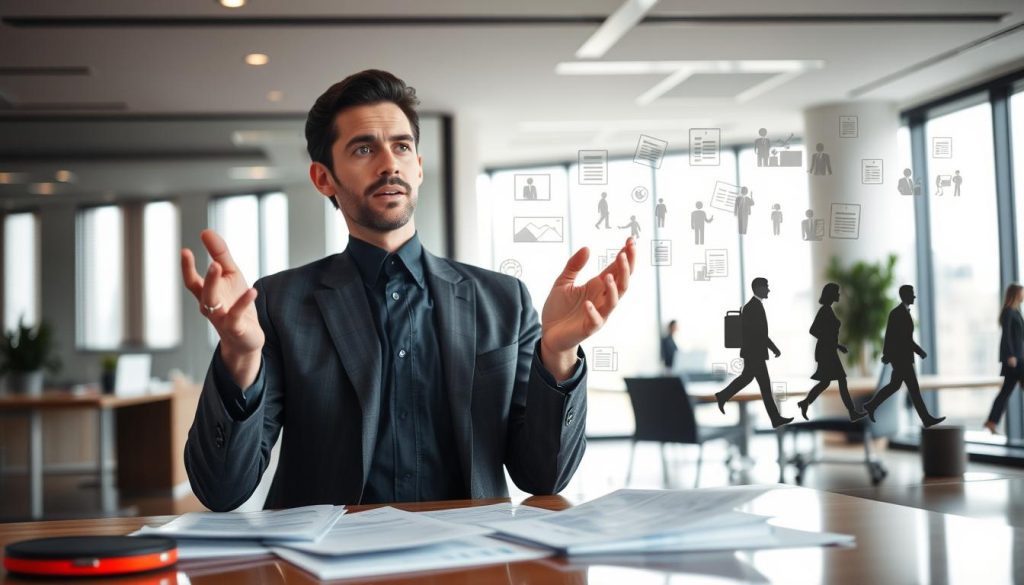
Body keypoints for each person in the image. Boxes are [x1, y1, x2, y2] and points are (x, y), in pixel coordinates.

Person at [180, 70, 637, 511]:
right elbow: (222, 491)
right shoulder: (281, 304)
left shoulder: (503, 301)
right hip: (327, 569)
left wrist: (557, 356)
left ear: (418, 168)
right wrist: (240, 355)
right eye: (363, 149)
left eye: (402, 146)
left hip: (470, 564)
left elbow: (543, 478)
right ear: (324, 179)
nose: (389, 163)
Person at [862, 285, 945, 428]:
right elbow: (900, 338)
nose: (914, 297)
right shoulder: (897, 313)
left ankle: (871, 405)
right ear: (905, 295)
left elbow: (898, 337)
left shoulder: (902, 313)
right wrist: (919, 351)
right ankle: (926, 419)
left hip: (902, 358)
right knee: (914, 389)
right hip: (901, 359)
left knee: (895, 386)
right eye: (912, 294)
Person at [715, 278, 793, 428]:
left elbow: (759, 334)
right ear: (758, 288)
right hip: (754, 354)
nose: (768, 290)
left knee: (748, 379)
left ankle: (723, 395)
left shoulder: (754, 306)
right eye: (766, 287)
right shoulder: (753, 307)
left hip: (753, 353)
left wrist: (772, 348)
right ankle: (775, 418)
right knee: (764, 386)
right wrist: (774, 348)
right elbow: (759, 334)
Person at [796, 283, 867, 421]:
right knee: (840, 381)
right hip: (825, 353)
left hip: (829, 351)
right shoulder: (824, 311)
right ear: (831, 294)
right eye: (837, 292)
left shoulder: (828, 310)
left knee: (827, 382)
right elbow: (813, 330)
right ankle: (852, 412)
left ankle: (805, 403)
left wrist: (838, 346)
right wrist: (830, 343)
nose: (839, 294)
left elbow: (828, 336)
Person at [985, 284, 1024, 434]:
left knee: (1005, 392)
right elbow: (1006, 336)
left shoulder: (1017, 311)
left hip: (1019, 358)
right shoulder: (1008, 312)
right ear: (1016, 294)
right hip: (1014, 360)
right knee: (1005, 392)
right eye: (1022, 292)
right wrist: (1010, 356)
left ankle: (991, 421)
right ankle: (991, 421)